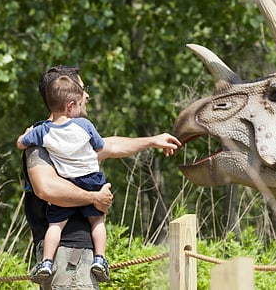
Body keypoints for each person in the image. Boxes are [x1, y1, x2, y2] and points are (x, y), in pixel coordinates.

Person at [23, 65, 181, 290]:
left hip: (77, 258)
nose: (86, 95)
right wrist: (94, 197)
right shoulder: (40, 137)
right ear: (68, 100)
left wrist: (153, 140)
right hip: (67, 256)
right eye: (81, 88)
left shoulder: (74, 137)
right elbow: (46, 189)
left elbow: (111, 145)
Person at [18, 75, 110, 282]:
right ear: (70, 106)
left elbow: (20, 143)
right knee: (97, 221)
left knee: (55, 226)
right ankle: (100, 258)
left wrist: (26, 135)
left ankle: (46, 263)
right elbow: (101, 146)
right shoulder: (84, 125)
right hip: (91, 180)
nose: (86, 98)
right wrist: (95, 196)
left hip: (66, 182)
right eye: (80, 100)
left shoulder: (42, 131)